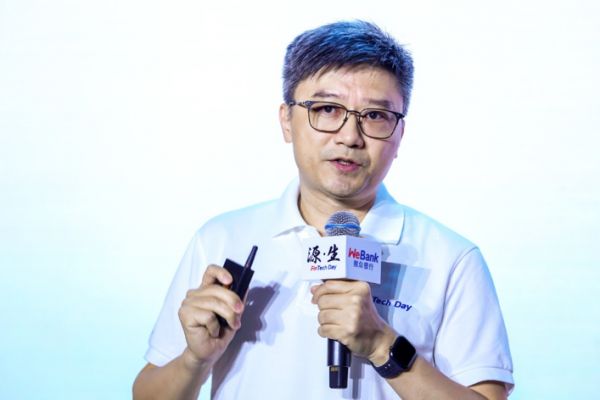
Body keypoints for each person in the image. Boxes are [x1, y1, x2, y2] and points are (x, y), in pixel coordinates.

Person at [133, 20, 514, 399]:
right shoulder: (221, 239)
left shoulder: (451, 258)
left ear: (400, 134)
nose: (350, 137)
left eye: (375, 116)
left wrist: (382, 344)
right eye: (328, 109)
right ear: (286, 120)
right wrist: (195, 360)